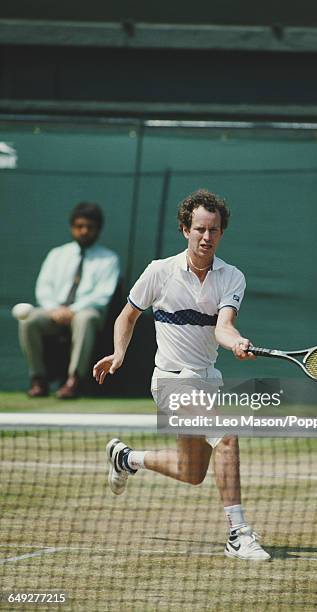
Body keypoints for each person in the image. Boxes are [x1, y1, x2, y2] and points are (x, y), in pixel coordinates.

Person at [93, 189, 270, 561]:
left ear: (222, 233)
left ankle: (126, 458)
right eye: (200, 229)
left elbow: (224, 326)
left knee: (191, 471)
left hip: (206, 380)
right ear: (185, 229)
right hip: (171, 380)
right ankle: (238, 534)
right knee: (226, 436)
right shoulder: (159, 271)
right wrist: (119, 353)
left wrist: (236, 342)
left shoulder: (232, 277)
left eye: (214, 230)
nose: (207, 237)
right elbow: (128, 315)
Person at [19, 202, 120, 399]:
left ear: (98, 230)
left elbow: (102, 295)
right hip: (52, 313)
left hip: (87, 313)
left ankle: (74, 381)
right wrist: (53, 309)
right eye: (79, 226)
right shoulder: (57, 254)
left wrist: (73, 310)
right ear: (72, 227)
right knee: (28, 320)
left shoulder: (109, 259)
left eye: (90, 227)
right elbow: (44, 287)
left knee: (84, 319)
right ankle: (38, 379)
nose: (84, 231)